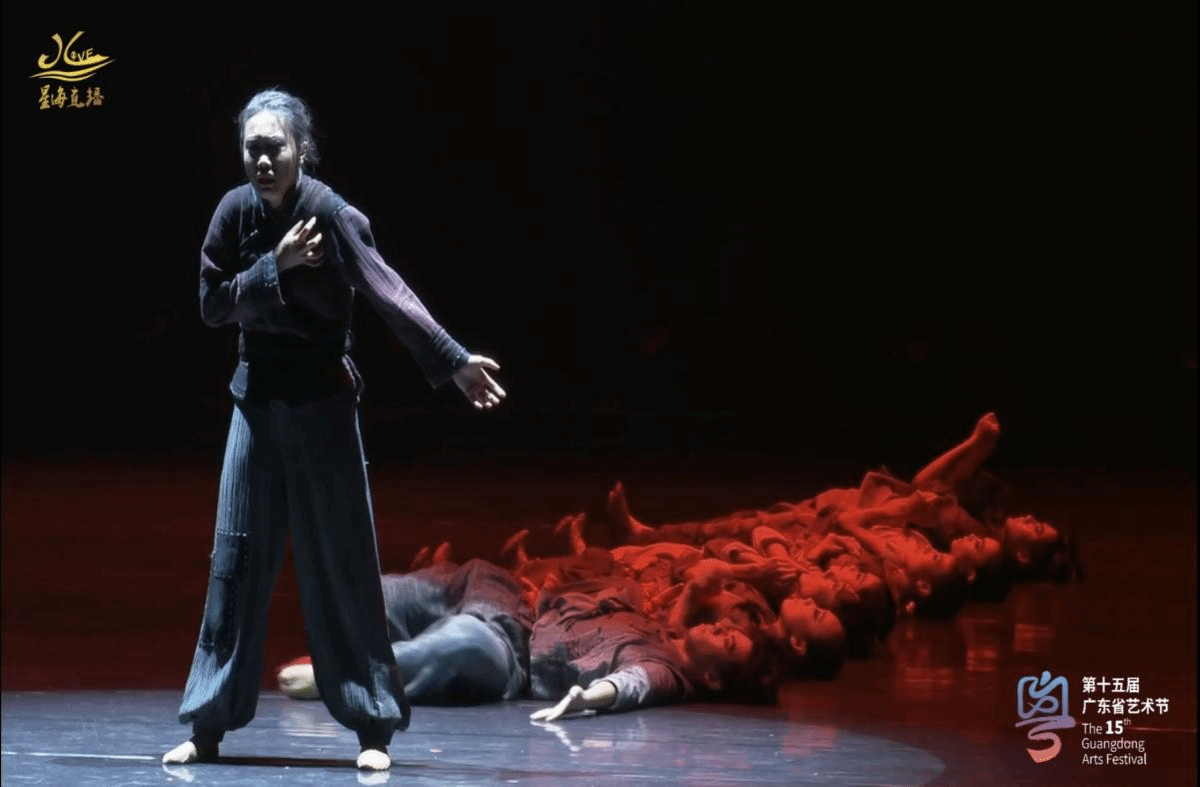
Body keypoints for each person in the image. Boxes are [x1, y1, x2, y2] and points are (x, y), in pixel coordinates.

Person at [163, 88, 506, 772]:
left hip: (322, 406)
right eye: (252, 149)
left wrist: (453, 360)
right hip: (256, 407)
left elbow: (387, 289)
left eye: (275, 148)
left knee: (342, 564)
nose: (263, 161)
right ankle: (208, 726)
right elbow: (211, 304)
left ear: (300, 150)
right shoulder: (233, 212)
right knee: (234, 564)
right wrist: (277, 265)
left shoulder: (329, 213)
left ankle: (372, 726)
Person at [277, 558, 534, 706]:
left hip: (498, 627)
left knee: (469, 641)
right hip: (479, 602)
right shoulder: (483, 576)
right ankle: (351, 671)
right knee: (377, 597)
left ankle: (348, 676)